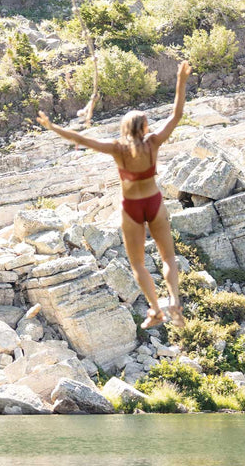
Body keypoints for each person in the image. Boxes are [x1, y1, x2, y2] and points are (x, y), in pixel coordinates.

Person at [37, 60, 192, 330]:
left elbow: (82, 140)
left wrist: (53, 128)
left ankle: (156, 310)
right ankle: (174, 304)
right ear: (144, 127)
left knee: (138, 264)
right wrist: (181, 79)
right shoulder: (154, 141)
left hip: (131, 208)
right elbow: (176, 115)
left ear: (124, 127)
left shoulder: (117, 148)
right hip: (155, 203)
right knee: (168, 258)